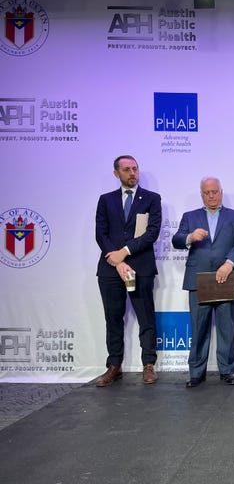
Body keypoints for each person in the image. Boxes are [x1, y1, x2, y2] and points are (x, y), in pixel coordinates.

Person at [172, 177, 234, 387]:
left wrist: (229, 263)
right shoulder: (190, 217)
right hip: (199, 280)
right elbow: (176, 240)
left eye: (215, 191)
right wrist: (189, 237)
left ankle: (227, 370)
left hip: (225, 277)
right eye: (207, 193)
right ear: (201, 195)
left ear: (221, 192)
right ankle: (196, 373)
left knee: (226, 327)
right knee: (198, 328)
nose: (212, 195)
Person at [95, 155, 162, 387]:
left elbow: (151, 233)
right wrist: (118, 261)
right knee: (113, 318)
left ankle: (149, 364)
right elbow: (100, 234)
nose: (132, 173)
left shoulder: (152, 199)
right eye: (126, 169)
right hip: (110, 269)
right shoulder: (106, 200)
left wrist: (124, 252)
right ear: (117, 174)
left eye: (135, 168)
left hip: (140, 267)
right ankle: (114, 365)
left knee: (146, 316)